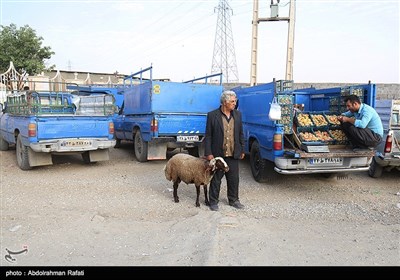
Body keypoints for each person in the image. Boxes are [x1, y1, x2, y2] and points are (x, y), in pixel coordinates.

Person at [204, 90, 245, 211]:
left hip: (233, 153)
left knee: (234, 179)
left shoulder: (238, 115)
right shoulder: (212, 115)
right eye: (232, 101)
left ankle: (234, 200)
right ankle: (213, 201)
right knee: (216, 179)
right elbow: (208, 136)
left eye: (235, 101)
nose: (234, 103)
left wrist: (242, 149)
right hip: (218, 155)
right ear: (224, 102)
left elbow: (240, 133)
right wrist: (209, 153)